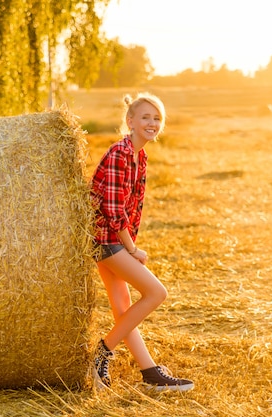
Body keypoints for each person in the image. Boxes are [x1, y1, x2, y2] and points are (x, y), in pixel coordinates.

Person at [90, 92, 194, 392]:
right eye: (146, 117)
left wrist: (130, 246)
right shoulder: (119, 153)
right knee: (156, 293)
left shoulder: (140, 155)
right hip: (105, 239)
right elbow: (112, 209)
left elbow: (130, 207)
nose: (152, 123)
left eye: (157, 118)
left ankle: (149, 372)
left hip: (114, 240)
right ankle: (101, 353)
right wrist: (131, 250)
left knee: (123, 309)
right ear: (130, 121)